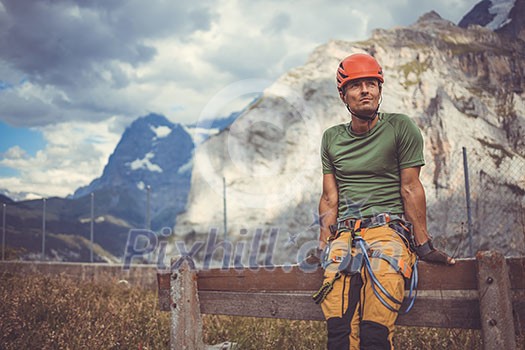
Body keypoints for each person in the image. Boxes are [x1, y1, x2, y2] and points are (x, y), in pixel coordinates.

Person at [314, 53, 455, 350]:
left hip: (388, 233)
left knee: (374, 335)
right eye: (356, 85)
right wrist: (324, 241)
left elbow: (410, 188)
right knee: (338, 335)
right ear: (343, 95)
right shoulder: (331, 139)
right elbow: (329, 196)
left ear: (379, 90)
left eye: (371, 83)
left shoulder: (400, 128)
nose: (365, 90)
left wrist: (424, 245)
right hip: (345, 236)